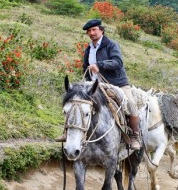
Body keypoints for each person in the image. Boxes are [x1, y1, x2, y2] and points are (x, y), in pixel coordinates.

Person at [57, 19, 142, 149]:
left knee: (130, 104)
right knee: (76, 103)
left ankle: (135, 136)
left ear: (101, 30)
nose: (91, 33)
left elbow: (118, 62)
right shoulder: (88, 49)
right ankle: (69, 133)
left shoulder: (112, 45)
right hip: (95, 85)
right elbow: (85, 67)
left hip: (117, 83)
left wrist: (100, 65)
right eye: (89, 31)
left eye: (94, 30)